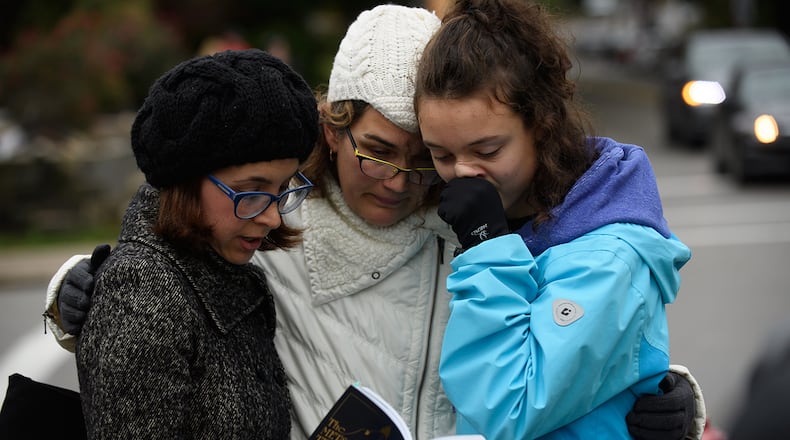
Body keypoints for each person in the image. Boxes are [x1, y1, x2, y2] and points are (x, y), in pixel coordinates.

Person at [44, 5, 704, 440]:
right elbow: (164, 266)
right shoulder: (272, 220)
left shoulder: (475, 227)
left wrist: (667, 397)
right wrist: (74, 291)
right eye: (377, 151)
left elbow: (572, 336)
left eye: (426, 159)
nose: (397, 180)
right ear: (333, 127)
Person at [413, 0, 696, 439]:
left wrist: (487, 246)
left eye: (487, 151)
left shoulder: (609, 254)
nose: (464, 174)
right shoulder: (485, 212)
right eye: (441, 154)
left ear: (542, 125)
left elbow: (508, 408)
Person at [70, 48, 318, 439]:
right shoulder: (145, 295)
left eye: (284, 187)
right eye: (250, 191)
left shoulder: (219, 267)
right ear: (185, 183)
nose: (273, 217)